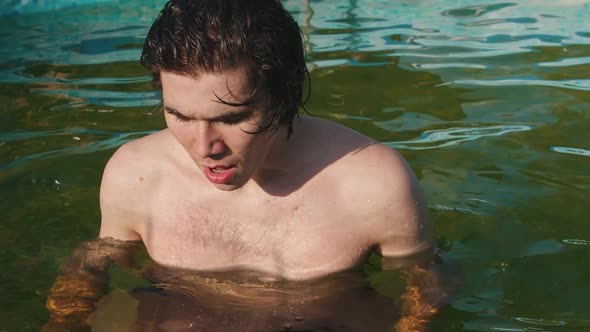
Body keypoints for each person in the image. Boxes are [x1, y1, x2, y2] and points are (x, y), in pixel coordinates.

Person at [44, 0, 454, 331]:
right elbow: (95, 262)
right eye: (180, 115)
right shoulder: (134, 175)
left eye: (231, 118)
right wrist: (64, 319)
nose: (205, 146)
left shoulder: (373, 184)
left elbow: (424, 288)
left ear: (283, 95)